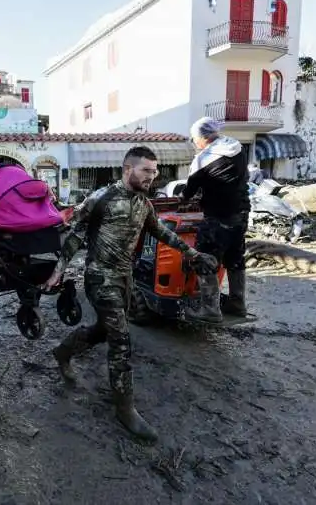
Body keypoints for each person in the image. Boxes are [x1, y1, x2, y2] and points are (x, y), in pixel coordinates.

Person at [44, 146, 218, 442]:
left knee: (103, 330)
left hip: (125, 278)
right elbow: (75, 235)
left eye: (155, 171)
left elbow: (160, 231)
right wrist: (59, 270)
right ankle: (125, 409)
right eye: (147, 171)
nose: (153, 176)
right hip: (100, 278)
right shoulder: (101, 199)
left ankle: (63, 352)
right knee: (121, 340)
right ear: (128, 169)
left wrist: (190, 252)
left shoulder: (143, 204)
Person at [181, 117, 251, 323]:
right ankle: (238, 303)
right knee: (235, 258)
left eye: (195, 139)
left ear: (204, 138)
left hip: (217, 217)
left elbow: (188, 192)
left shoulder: (204, 159)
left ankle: (210, 310)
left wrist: (185, 200)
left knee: (205, 259)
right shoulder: (237, 148)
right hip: (241, 214)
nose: (195, 143)